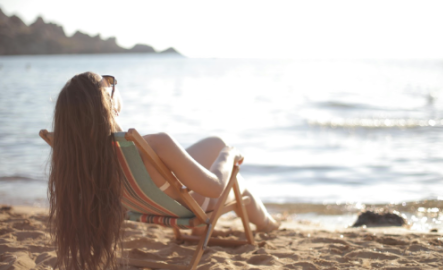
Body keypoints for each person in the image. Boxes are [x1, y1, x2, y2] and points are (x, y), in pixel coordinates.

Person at [48, 72, 279, 270]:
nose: (113, 86)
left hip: (152, 203)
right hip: (192, 206)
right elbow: (216, 186)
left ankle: (257, 222)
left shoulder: (84, 156)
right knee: (241, 187)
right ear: (107, 103)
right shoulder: (156, 144)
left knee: (214, 142)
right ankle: (268, 224)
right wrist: (229, 155)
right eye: (109, 83)